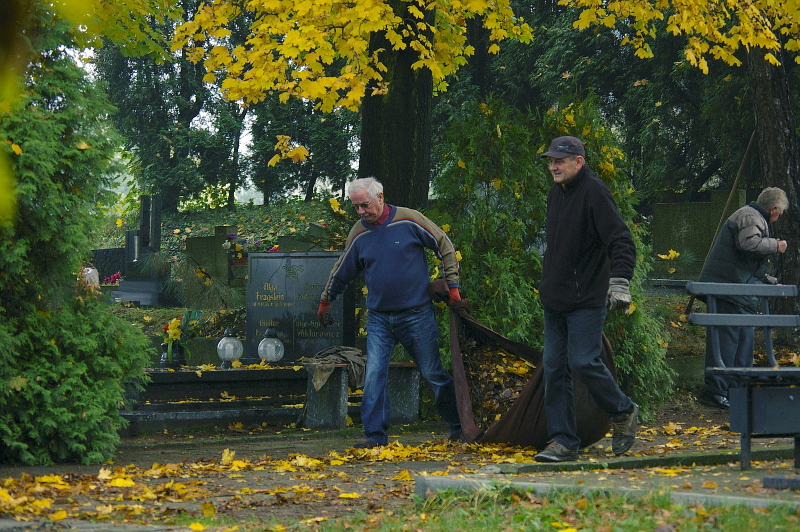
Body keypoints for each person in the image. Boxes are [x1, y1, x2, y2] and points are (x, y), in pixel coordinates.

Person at [318, 177, 463, 448]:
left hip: (416, 314)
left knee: (433, 373)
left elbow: (443, 244)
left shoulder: (409, 220)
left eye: (365, 205)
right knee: (374, 375)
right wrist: (326, 300)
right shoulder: (359, 233)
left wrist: (452, 286)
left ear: (380, 197)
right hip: (379, 319)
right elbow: (342, 269)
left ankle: (459, 426)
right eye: (356, 207)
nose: (361, 211)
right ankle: (375, 437)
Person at [534, 136, 639, 463]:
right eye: (551, 161)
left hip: (585, 300)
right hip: (555, 300)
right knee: (554, 369)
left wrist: (619, 281)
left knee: (583, 361)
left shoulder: (595, 192)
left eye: (559, 161)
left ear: (578, 162)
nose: (553, 167)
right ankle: (564, 442)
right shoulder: (556, 193)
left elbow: (621, 240)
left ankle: (623, 410)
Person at [696, 187, 789, 409]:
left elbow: (746, 265)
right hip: (728, 291)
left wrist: (770, 282)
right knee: (725, 345)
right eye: (779, 214)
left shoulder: (753, 216)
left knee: (742, 347)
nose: (777, 218)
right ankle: (715, 391)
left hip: (737, 291)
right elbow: (748, 244)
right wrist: (776, 245)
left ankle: (736, 392)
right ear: (773, 209)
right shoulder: (750, 216)